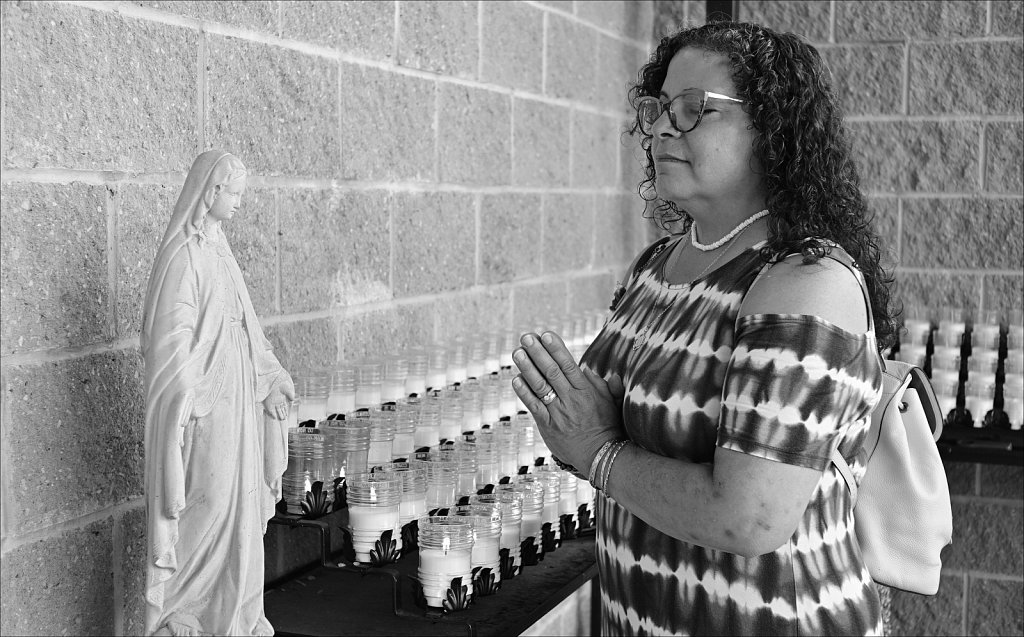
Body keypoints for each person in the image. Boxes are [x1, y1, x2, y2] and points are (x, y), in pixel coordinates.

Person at [511, 21, 899, 636]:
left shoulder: (805, 281)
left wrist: (597, 452)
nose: (664, 126)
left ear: (772, 131)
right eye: (660, 108)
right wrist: (577, 427)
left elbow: (748, 518)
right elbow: (589, 420)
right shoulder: (657, 267)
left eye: (695, 111)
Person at [141, 150, 294, 636]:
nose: (239, 203)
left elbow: (249, 327)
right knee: (207, 508)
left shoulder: (222, 253)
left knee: (242, 510)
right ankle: (187, 612)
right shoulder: (183, 257)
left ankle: (237, 616)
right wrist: (188, 393)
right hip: (207, 409)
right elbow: (169, 338)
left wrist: (269, 380)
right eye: (235, 193)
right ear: (211, 192)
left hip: (241, 403)